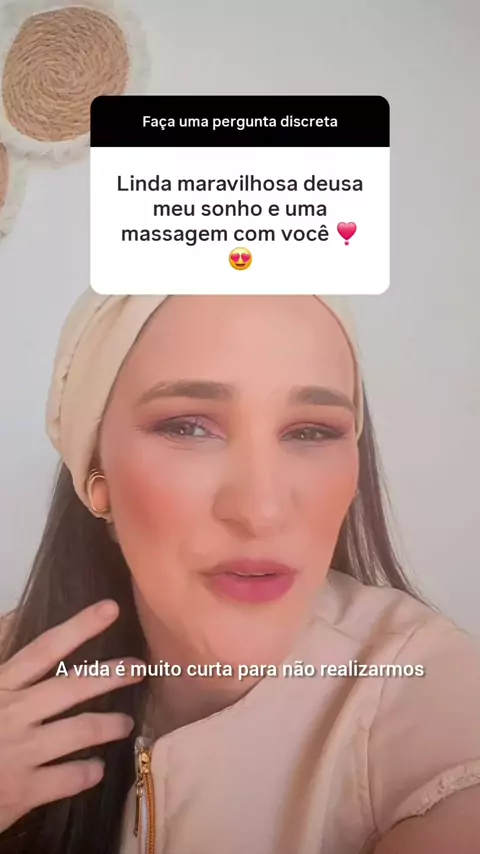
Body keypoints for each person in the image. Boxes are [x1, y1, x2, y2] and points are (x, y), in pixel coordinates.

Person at [0, 291, 479, 854]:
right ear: (95, 476)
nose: (261, 510)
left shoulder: (426, 692)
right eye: (188, 427)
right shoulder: (12, 669)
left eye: (311, 431)